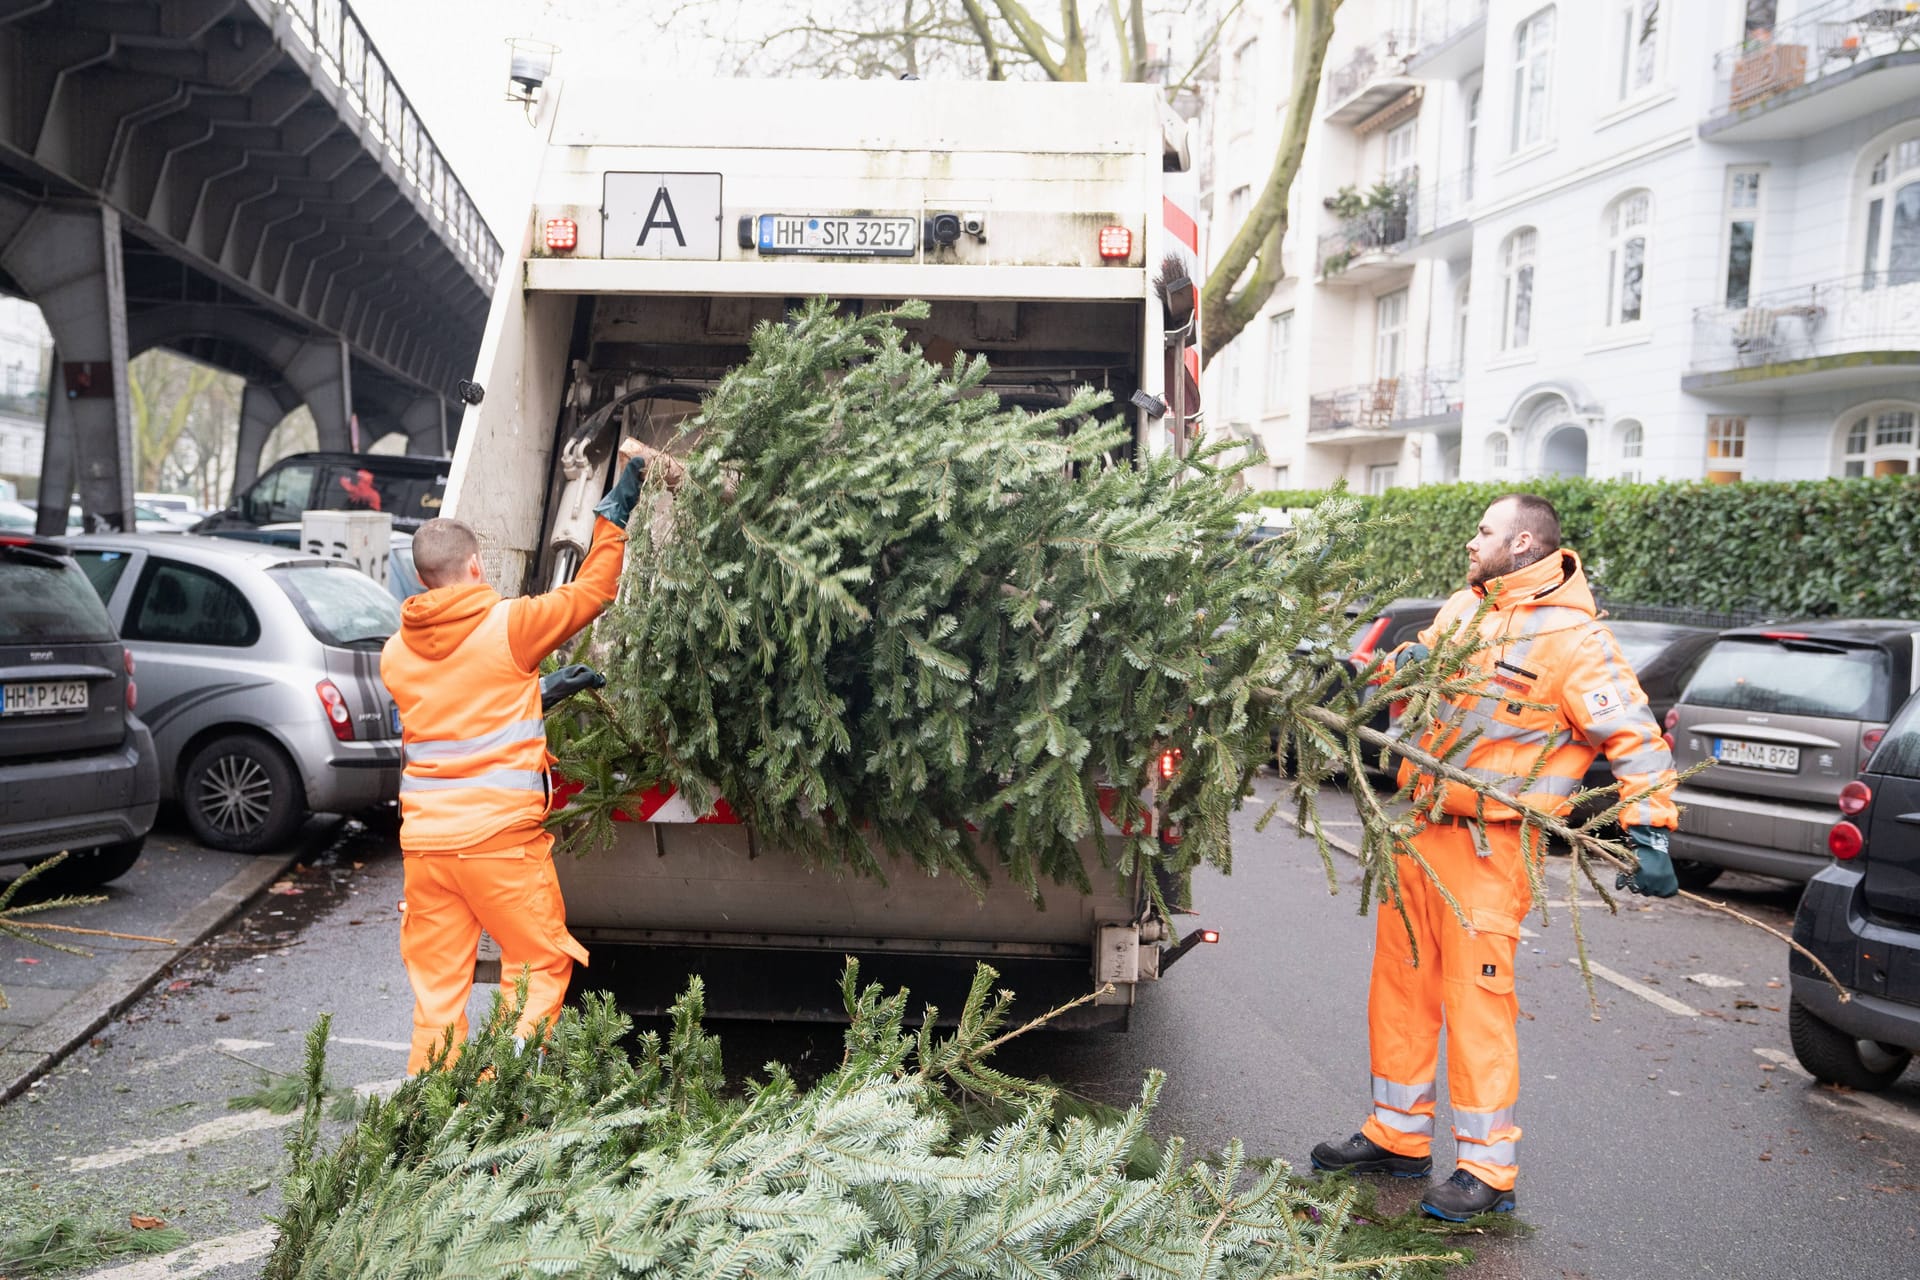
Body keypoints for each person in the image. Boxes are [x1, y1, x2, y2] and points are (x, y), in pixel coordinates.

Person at [1310, 493, 1680, 1221]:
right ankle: (1397, 1134)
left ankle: (1487, 1170)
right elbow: (1423, 696)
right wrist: (1401, 666)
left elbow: (1635, 735)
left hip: (1493, 847)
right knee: (1401, 989)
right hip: (1419, 831)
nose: (1469, 541)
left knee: (1477, 1006)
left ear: (1521, 544)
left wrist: (1653, 830)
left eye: (1483, 531)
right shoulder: (1462, 610)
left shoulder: (1579, 641)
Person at [380, 438, 681, 1073]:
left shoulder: (397, 655)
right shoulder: (509, 628)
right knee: (539, 964)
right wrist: (615, 512)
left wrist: (535, 693)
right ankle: (504, 1092)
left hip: (426, 850)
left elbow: (456, 714)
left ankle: (428, 1115)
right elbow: (594, 592)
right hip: (496, 846)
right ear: (475, 567)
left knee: (438, 993)